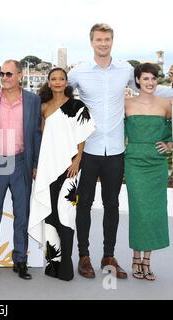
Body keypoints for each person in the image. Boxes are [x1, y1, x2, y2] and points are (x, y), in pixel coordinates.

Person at [68, 23, 173, 279]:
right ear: (91, 42)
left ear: (112, 42)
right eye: (99, 40)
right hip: (89, 148)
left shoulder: (126, 69)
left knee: (112, 205)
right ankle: (83, 256)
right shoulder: (79, 71)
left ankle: (108, 255)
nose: (103, 43)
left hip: (115, 149)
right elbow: (61, 94)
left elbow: (148, 88)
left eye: (107, 39)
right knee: (84, 205)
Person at [28, 68, 95, 281]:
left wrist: (78, 160)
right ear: (48, 82)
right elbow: (41, 138)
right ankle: (52, 263)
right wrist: (37, 164)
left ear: (67, 82)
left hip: (68, 167)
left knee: (65, 215)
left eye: (61, 79)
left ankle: (66, 264)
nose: (58, 82)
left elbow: (82, 135)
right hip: (48, 167)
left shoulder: (77, 106)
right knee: (50, 216)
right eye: (54, 79)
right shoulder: (43, 107)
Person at [0, 59, 42, 280]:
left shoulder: (33, 100)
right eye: (2, 74)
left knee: (21, 215)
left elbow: (36, 133)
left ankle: (21, 261)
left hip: (20, 163)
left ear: (19, 76)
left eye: (8, 74)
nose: (4, 78)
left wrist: (35, 164)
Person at [124, 63, 172, 281]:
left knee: (154, 212)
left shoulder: (166, 105)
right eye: (145, 79)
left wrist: (169, 145)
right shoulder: (126, 104)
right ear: (137, 81)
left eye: (153, 78)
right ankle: (136, 258)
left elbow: (170, 133)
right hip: (134, 162)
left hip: (157, 164)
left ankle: (147, 261)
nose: (150, 83)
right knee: (139, 211)